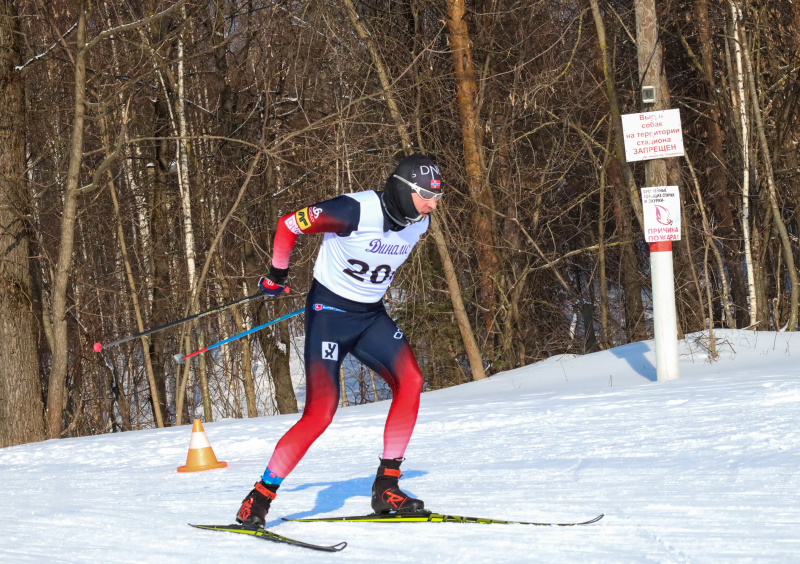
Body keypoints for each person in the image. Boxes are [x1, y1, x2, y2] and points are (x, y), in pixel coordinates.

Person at [235, 153, 443, 527]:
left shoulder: (419, 223)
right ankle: (260, 497)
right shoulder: (353, 210)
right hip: (329, 316)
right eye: (426, 195)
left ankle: (387, 487)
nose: (432, 205)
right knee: (321, 412)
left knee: (411, 381)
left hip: (370, 317)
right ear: (402, 189)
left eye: (437, 197)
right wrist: (276, 275)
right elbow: (288, 225)